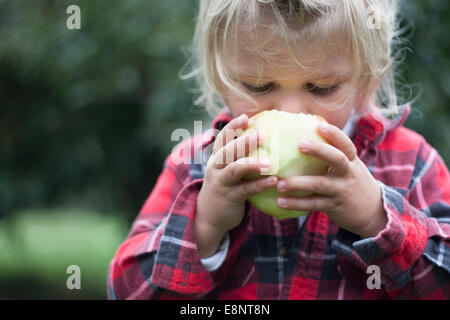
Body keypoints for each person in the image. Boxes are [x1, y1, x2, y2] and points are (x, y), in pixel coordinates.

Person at [107, 0, 450, 299]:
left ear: (366, 78)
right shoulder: (195, 166)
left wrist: (379, 220)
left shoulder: (410, 163)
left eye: (321, 87)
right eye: (259, 85)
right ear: (220, 76)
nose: (290, 112)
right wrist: (206, 225)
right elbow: (124, 290)